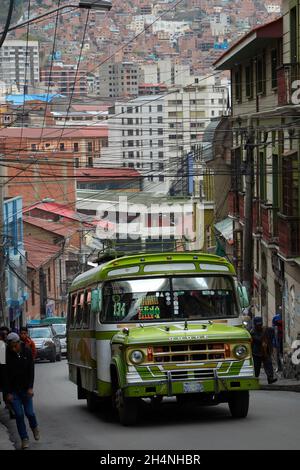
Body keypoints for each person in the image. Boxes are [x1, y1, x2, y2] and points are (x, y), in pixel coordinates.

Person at [3, 332, 40, 450]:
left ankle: (34, 427)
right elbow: (4, 376)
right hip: (14, 391)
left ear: (19, 343)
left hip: (26, 389)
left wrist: (30, 387)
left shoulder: (27, 351)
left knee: (30, 413)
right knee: (19, 415)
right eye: (11, 346)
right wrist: (7, 393)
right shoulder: (5, 355)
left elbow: (31, 371)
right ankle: (24, 438)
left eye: (15, 345)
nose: (14, 348)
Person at [250, 317, 277, 385]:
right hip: (256, 353)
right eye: (258, 325)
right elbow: (258, 339)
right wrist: (264, 333)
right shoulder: (253, 332)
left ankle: (270, 379)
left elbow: (272, 333)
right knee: (257, 368)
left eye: (260, 324)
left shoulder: (265, 329)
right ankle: (255, 380)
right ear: (255, 325)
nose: (259, 326)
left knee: (269, 365)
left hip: (265, 352)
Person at [272, 307, 283, 372]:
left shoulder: (278, 318)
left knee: (279, 353)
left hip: (281, 338)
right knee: (278, 353)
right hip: (278, 338)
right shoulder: (276, 318)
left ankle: (280, 367)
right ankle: (279, 367)